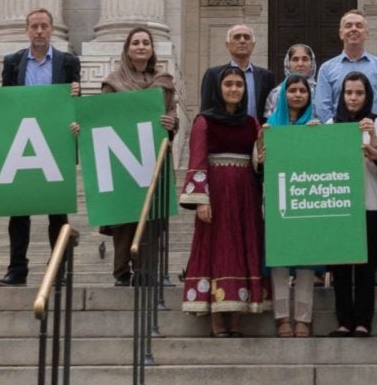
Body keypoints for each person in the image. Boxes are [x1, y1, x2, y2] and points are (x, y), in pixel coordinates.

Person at [0, 8, 81, 285]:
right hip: (23, 142)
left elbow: (75, 105)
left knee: (57, 211)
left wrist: (75, 97)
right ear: (27, 30)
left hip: (55, 143)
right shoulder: (12, 62)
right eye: (34, 26)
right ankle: (16, 268)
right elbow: (6, 103)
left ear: (52, 28)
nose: (40, 31)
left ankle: (59, 268)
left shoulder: (68, 62)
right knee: (18, 211)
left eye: (44, 26)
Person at [184, 66, 271, 335]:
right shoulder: (204, 121)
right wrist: (201, 200)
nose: (234, 89)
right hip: (217, 194)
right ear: (218, 89)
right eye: (229, 84)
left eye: (239, 85)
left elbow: (257, 160)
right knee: (217, 248)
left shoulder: (251, 123)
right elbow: (197, 159)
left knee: (243, 247)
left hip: (246, 195)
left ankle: (237, 317)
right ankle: (216, 320)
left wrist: (261, 157)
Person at [98, 25, 176, 286]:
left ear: (152, 49)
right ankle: (122, 271)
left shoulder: (164, 82)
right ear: (127, 49)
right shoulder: (112, 83)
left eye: (146, 42)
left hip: (154, 161)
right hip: (122, 161)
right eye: (136, 43)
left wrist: (170, 123)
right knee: (124, 218)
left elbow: (171, 114)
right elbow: (102, 119)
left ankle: (147, 270)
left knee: (153, 218)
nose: (141, 46)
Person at [330, 72, 377, 337]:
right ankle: (344, 320)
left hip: (369, 203)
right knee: (341, 268)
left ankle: (364, 321)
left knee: (365, 268)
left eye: (359, 93)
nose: (353, 98)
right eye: (348, 92)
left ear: (367, 96)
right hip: (339, 204)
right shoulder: (331, 124)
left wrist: (373, 143)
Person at [264, 72, 323, 334]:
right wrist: (262, 142)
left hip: (306, 199)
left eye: (302, 91)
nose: (298, 94)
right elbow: (259, 164)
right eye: (292, 90)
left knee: (306, 262)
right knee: (278, 260)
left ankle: (303, 317)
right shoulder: (269, 126)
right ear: (283, 94)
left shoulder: (317, 125)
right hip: (277, 199)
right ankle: (281, 317)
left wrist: (318, 137)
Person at [313, 9, 377, 123]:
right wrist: (334, 130)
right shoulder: (326, 68)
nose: (354, 29)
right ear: (341, 34)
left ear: (366, 33)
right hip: (338, 132)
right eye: (348, 26)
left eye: (359, 25)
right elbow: (322, 105)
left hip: (373, 132)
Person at [200, 23, 274, 122]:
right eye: (237, 37)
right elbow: (206, 110)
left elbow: (270, 110)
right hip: (223, 133)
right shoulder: (213, 74)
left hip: (257, 135)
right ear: (228, 45)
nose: (242, 41)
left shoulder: (267, 76)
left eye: (247, 37)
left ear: (253, 45)